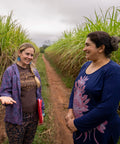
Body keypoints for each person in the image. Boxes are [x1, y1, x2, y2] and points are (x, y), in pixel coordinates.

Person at [65, 31, 120, 144]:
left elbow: (108, 107)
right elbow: (76, 89)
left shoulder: (113, 71)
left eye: (87, 45)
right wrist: (70, 110)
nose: (84, 49)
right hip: (81, 129)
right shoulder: (86, 65)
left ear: (101, 48)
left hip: (100, 133)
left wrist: (77, 124)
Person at [0, 43, 45, 144]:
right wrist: (5, 97)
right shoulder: (10, 71)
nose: (29, 57)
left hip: (33, 118)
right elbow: (5, 91)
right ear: (19, 53)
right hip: (16, 118)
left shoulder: (34, 71)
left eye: (31, 55)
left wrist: (41, 111)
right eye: (27, 54)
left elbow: (38, 94)